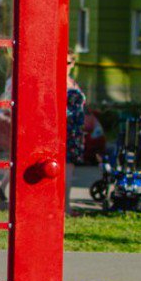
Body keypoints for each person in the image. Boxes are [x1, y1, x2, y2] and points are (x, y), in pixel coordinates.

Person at [65, 51, 86, 215]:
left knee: (70, 171)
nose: (65, 66)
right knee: (65, 171)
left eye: (68, 63)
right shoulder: (56, 81)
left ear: (73, 64)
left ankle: (66, 204)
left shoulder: (72, 82)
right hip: (63, 131)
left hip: (75, 132)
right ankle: (64, 206)